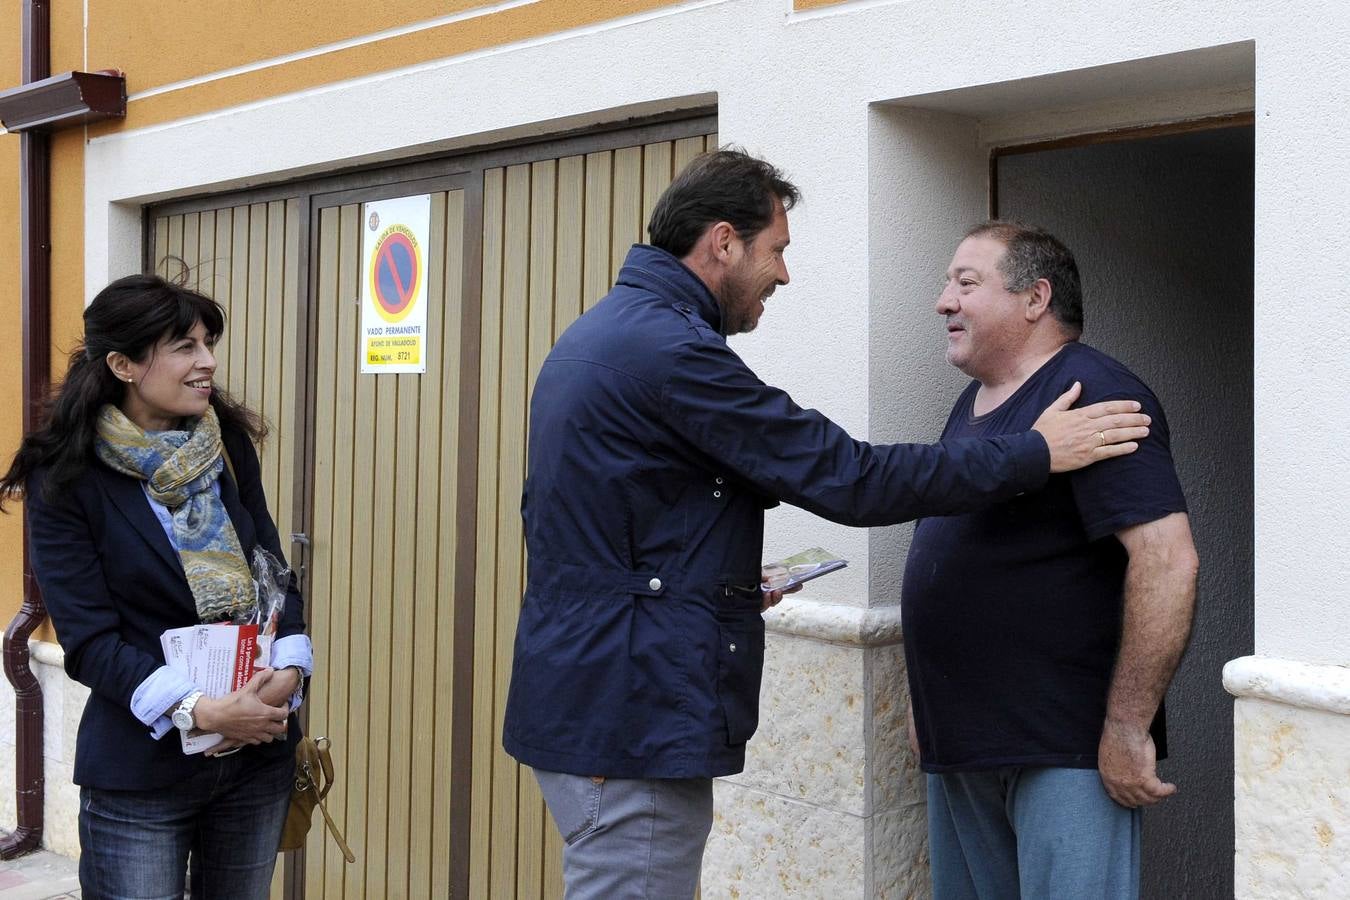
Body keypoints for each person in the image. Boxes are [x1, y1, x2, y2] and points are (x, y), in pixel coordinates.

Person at [501, 149, 1152, 898]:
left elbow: (605, 527)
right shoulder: (669, 352)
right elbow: (850, 478)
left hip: (603, 701)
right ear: (723, 243)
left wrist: (717, 585)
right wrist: (1037, 452)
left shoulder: (606, 336)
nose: (783, 274)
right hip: (627, 718)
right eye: (776, 250)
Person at [902, 222, 1199, 899]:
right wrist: (928, 708)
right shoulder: (975, 402)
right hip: (963, 745)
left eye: (966, 283)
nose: (944, 301)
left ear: (1035, 298)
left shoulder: (1094, 394)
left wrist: (1127, 725)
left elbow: (1167, 562)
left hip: (1061, 746)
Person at [0, 274, 314, 899]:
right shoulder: (66, 477)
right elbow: (90, 641)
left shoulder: (225, 448)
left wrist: (289, 669)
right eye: (185, 347)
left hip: (255, 760)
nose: (208, 361)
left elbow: (273, 574)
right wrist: (199, 709)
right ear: (122, 364)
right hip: (141, 772)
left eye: (208, 343)